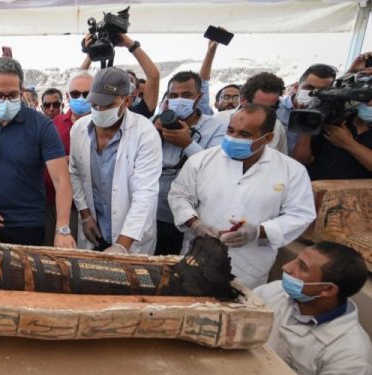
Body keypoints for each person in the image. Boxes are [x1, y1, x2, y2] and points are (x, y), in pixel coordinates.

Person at [168, 104, 316, 288]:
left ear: (267, 138)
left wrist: (258, 231)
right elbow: (179, 195)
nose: (234, 138)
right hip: (198, 254)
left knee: (240, 309)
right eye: (230, 130)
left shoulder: (291, 171)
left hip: (250, 265)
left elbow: (301, 214)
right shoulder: (201, 160)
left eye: (244, 134)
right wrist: (195, 224)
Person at [0, 57, 75, 248]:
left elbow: (62, 180)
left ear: (22, 91)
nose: (6, 101)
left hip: (29, 224)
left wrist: (62, 229)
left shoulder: (42, 126)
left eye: (13, 95)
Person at [69, 67, 162, 254]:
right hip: (94, 230)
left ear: (126, 100)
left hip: (130, 237)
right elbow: (75, 173)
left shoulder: (144, 133)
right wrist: (85, 215)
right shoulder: (79, 129)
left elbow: (145, 194)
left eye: (107, 105)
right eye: (94, 104)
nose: (99, 110)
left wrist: (121, 245)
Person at [254, 242, 372, 375]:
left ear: (327, 289)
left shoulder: (350, 355)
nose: (286, 267)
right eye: (296, 260)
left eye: (302, 267)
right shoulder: (275, 291)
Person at [153, 71, 226, 256]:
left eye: (186, 95)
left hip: (191, 218)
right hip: (153, 214)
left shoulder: (217, 127)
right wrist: (152, 137)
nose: (179, 100)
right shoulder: (154, 124)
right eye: (173, 95)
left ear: (198, 97)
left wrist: (187, 143)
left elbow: (216, 170)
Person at [43, 71, 92, 246]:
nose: (81, 98)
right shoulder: (54, 123)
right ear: (68, 96)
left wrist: (74, 163)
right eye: (76, 94)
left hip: (83, 207)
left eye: (87, 94)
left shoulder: (101, 126)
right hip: (50, 201)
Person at [81, 33, 160, 118]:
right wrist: (92, 53)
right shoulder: (97, 109)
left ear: (135, 92)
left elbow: (154, 76)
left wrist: (129, 43)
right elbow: (78, 82)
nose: (124, 81)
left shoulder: (139, 113)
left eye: (130, 80)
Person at [215, 72, 289, 154]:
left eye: (272, 108)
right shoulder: (219, 120)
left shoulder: (277, 127)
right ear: (243, 101)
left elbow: (280, 160)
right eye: (259, 107)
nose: (265, 113)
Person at [277, 64, 337, 155]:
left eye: (321, 90)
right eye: (309, 88)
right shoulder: (276, 110)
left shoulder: (326, 115)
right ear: (297, 87)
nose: (313, 93)